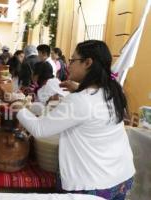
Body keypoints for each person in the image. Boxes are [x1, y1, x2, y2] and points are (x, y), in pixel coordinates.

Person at [17, 40, 135, 200]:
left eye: (73, 60)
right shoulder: (112, 91)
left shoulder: (81, 100)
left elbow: (40, 129)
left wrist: (16, 106)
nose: (68, 65)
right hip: (122, 176)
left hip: (92, 185)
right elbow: (92, 111)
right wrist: (80, 89)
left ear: (88, 63)